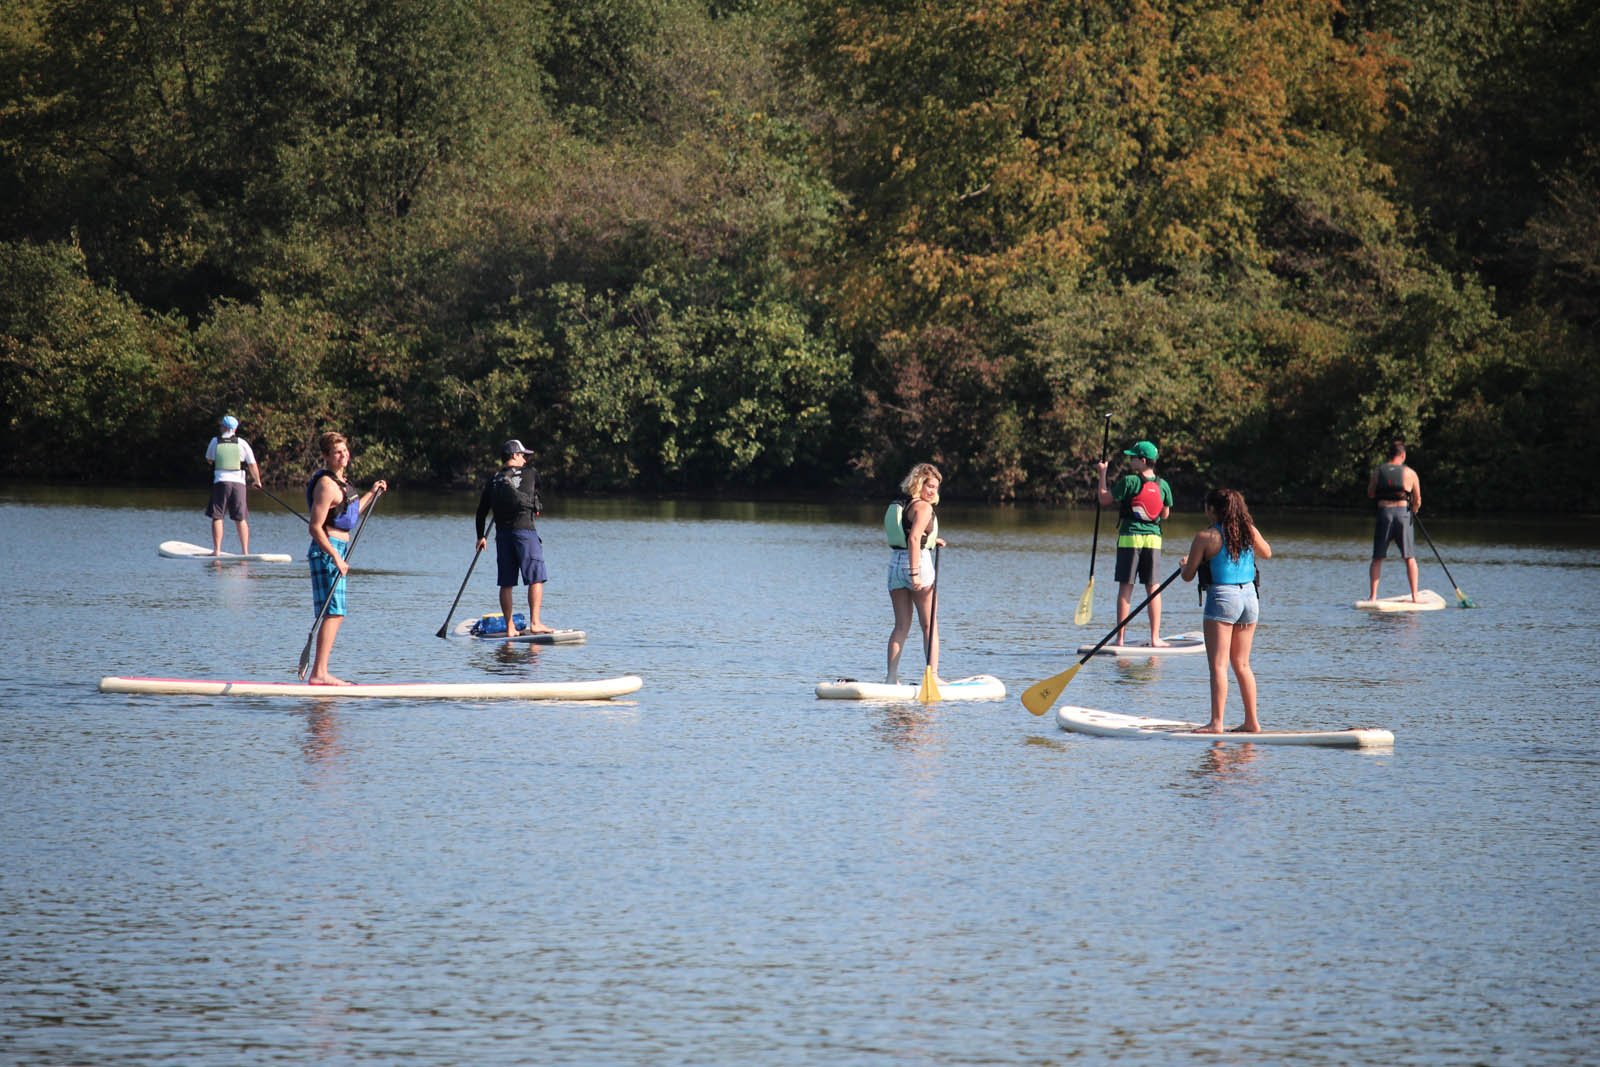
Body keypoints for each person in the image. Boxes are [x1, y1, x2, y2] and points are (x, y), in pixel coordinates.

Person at [1180, 488, 1273, 733]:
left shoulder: (1205, 537)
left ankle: (1216, 723)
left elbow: (1188, 576)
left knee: (1219, 666)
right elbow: (1267, 553)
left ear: (1212, 510)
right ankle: (1252, 722)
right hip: (1250, 598)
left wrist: (1186, 564)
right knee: (1242, 664)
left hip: (1223, 598)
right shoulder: (1248, 531)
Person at [305, 431, 387, 685]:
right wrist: (336, 558)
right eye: (337, 452)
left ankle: (321, 671)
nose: (343, 455)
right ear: (327, 457)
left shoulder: (342, 483)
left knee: (336, 612)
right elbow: (315, 527)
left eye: (345, 451)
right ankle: (319, 673)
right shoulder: (326, 485)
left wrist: (372, 493)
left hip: (337, 550)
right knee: (334, 611)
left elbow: (349, 515)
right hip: (327, 551)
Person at [1097, 439, 1173, 647]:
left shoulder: (1130, 481)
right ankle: (1155, 638)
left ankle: (1120, 639)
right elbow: (1165, 514)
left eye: (1133, 457)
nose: (1130, 461)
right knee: (1153, 589)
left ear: (1142, 460)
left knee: (1126, 588)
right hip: (1154, 540)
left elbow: (1104, 499)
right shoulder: (1163, 485)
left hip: (1130, 537)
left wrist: (1102, 473)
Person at [476, 439, 554, 637]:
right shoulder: (530, 473)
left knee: (506, 583)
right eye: (522, 455)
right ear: (514, 455)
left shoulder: (493, 480)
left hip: (502, 535)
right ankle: (535, 623)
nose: (525, 460)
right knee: (536, 578)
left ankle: (510, 627)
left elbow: (481, 512)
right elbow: (537, 491)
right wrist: (536, 505)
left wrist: (481, 537)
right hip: (525, 533)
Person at [885, 462, 946, 684]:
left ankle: (891, 678)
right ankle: (933, 677)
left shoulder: (900, 504)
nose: (933, 491)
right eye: (929, 486)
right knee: (930, 625)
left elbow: (910, 533)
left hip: (894, 566)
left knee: (901, 625)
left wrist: (931, 540)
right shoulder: (924, 508)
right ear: (918, 483)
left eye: (936, 487)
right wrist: (915, 573)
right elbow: (913, 539)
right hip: (916, 564)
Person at [1367, 437, 1422, 601]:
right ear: (1403, 455)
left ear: (1389, 456)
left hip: (1384, 514)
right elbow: (1418, 499)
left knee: (1377, 558)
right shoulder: (1410, 473)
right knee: (1409, 558)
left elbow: (1370, 493)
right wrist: (1414, 510)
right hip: (1403, 515)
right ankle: (1414, 596)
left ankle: (1373, 597)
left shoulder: (1378, 471)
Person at [204, 414, 262, 555]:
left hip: (221, 482)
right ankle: (245, 552)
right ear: (235, 429)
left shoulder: (214, 441)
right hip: (238, 484)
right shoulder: (242, 443)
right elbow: (252, 464)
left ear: (224, 427)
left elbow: (209, 459)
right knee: (240, 518)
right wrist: (257, 481)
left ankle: (217, 550)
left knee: (217, 516)